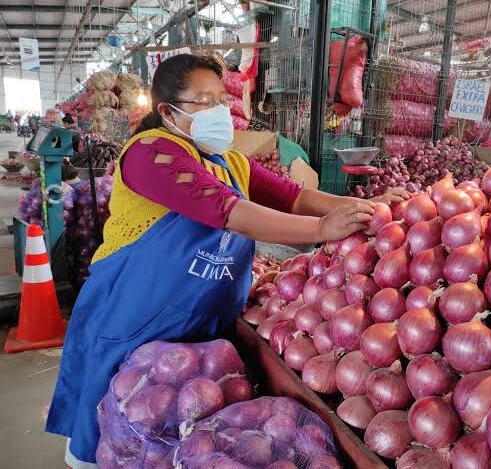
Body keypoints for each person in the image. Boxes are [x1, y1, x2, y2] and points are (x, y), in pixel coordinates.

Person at [45, 53, 408, 468]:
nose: (219, 111)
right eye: (205, 101)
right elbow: (228, 211)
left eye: (221, 100)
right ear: (167, 111)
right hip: (134, 319)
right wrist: (321, 230)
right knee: (114, 429)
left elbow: (294, 196)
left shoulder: (231, 161)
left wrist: (361, 205)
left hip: (199, 327)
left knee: (174, 437)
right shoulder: (151, 154)